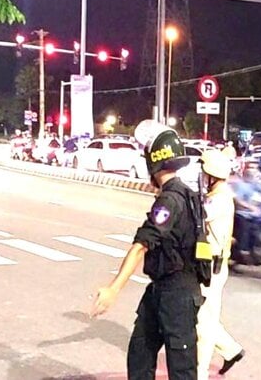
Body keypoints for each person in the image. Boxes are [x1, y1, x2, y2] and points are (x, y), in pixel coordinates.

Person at [91, 120, 212, 380]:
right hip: (162, 290)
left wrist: (113, 289)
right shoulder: (188, 195)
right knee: (140, 353)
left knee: (181, 371)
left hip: (177, 294)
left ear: (154, 161)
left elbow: (140, 246)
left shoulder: (170, 200)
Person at [196, 149, 245, 379]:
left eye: (205, 174)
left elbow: (198, 216)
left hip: (212, 268)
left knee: (204, 323)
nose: (202, 178)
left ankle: (200, 373)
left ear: (212, 175)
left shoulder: (219, 198)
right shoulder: (216, 194)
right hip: (208, 264)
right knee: (203, 317)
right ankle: (231, 350)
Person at [231, 168, 261, 259]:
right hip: (241, 213)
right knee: (245, 230)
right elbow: (238, 200)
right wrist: (250, 207)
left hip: (253, 214)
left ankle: (256, 249)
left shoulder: (254, 185)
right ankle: (243, 250)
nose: (256, 178)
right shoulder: (241, 186)